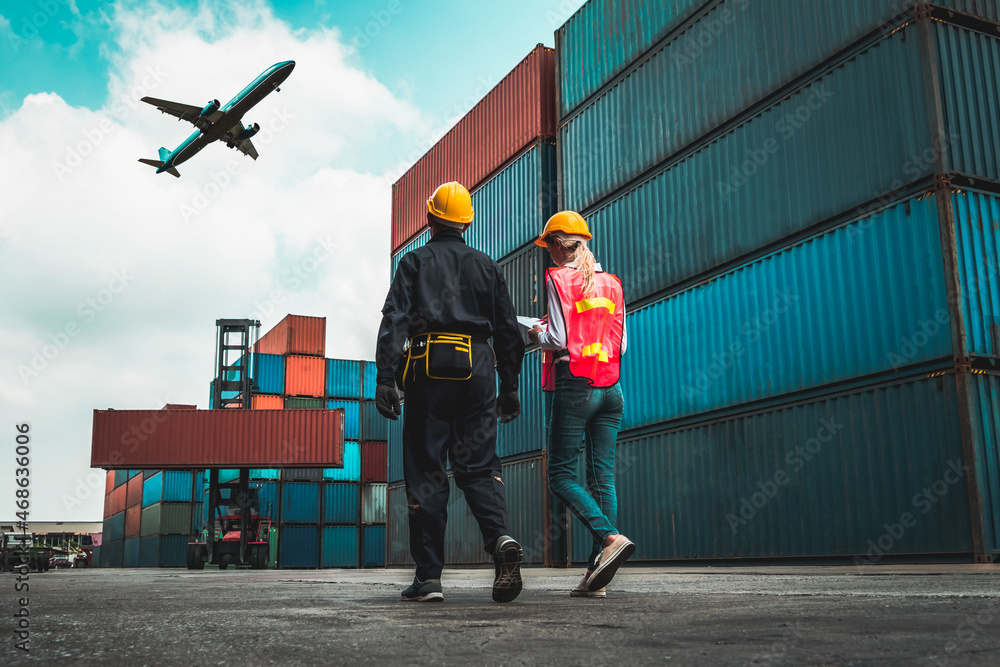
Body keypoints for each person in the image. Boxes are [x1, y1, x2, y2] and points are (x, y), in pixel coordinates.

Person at [374, 181, 526, 603]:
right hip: (479, 370)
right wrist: (510, 386)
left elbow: (395, 321)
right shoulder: (487, 266)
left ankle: (429, 579)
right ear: (466, 224)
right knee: (478, 465)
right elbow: (509, 332)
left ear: (429, 218)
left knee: (427, 469)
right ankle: (499, 541)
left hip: (429, 368)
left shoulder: (414, 262)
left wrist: (386, 378)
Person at [527, 210, 634, 598]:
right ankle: (596, 576)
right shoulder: (612, 284)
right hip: (612, 389)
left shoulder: (559, 278)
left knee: (560, 475)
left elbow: (556, 339)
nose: (548, 254)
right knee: (602, 477)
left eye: (548, 246)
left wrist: (537, 331)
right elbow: (620, 346)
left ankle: (609, 538)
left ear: (557, 244)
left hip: (575, 386)